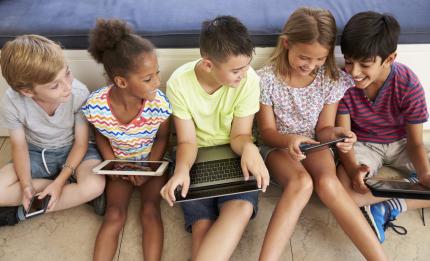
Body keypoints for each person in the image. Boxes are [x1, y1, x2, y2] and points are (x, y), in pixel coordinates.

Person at [257, 7, 387, 260]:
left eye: (319, 59)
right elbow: (267, 132)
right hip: (278, 146)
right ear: (286, 44)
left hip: (313, 144)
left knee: (329, 184)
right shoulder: (266, 79)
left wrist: (340, 133)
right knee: (301, 183)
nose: (311, 65)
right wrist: (290, 140)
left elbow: (324, 130)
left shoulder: (329, 78)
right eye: (304, 57)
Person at [160, 16, 269, 261]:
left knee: (240, 207)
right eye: (235, 70)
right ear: (208, 64)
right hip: (195, 156)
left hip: (234, 152)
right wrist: (181, 170)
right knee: (202, 223)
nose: (243, 74)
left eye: (245, 67)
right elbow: (188, 142)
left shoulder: (249, 79)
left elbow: (240, 135)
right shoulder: (179, 83)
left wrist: (250, 149)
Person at [337, 11, 430, 243]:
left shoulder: (408, 84)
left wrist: (425, 174)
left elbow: (416, 142)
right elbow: (344, 138)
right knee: (344, 192)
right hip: (363, 144)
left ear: (389, 59)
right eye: (349, 61)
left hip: (402, 144)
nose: (354, 72)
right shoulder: (342, 83)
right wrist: (353, 170)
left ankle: (390, 206)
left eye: (365, 64)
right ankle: (399, 193)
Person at [82, 19, 171, 261]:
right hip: (118, 164)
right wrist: (115, 166)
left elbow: (163, 140)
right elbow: (100, 135)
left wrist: (147, 169)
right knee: (114, 214)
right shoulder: (96, 106)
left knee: (151, 211)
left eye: (157, 74)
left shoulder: (159, 104)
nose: (157, 82)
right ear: (121, 82)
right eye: (148, 78)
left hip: (151, 163)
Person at [0, 35, 105, 226]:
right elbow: (19, 147)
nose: (67, 86)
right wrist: (25, 186)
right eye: (55, 85)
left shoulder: (78, 93)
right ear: (27, 92)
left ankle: (18, 214)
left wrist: (59, 183)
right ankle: (74, 193)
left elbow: (81, 143)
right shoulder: (12, 102)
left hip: (76, 150)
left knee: (95, 185)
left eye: (67, 73)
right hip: (36, 152)